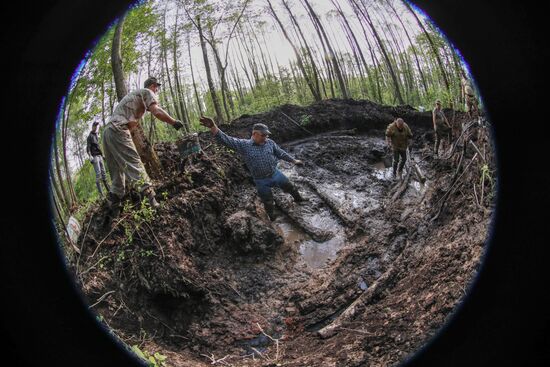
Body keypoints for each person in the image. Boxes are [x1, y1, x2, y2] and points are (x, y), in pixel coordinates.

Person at [103, 76, 184, 219]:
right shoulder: (147, 92)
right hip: (118, 129)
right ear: (153, 86)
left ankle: (112, 213)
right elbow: (156, 111)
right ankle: (153, 203)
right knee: (134, 163)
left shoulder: (134, 95)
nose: (157, 91)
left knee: (117, 174)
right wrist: (173, 122)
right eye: (156, 88)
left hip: (108, 131)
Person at [199, 116, 304, 221]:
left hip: (275, 173)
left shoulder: (270, 143)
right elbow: (226, 140)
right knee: (267, 200)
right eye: (263, 135)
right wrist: (213, 127)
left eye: (267, 135)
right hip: (260, 180)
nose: (265, 137)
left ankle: (299, 199)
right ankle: (272, 218)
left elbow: (281, 153)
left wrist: (294, 161)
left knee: (290, 186)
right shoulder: (244, 145)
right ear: (254, 134)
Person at [86, 121, 109, 196]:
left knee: (104, 173)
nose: (96, 127)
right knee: (98, 174)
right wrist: (90, 156)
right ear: (92, 126)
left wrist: (102, 155)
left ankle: (109, 190)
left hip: (100, 156)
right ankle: (101, 195)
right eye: (95, 126)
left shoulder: (96, 135)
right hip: (95, 156)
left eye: (97, 126)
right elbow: (88, 147)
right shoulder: (89, 137)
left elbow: (98, 146)